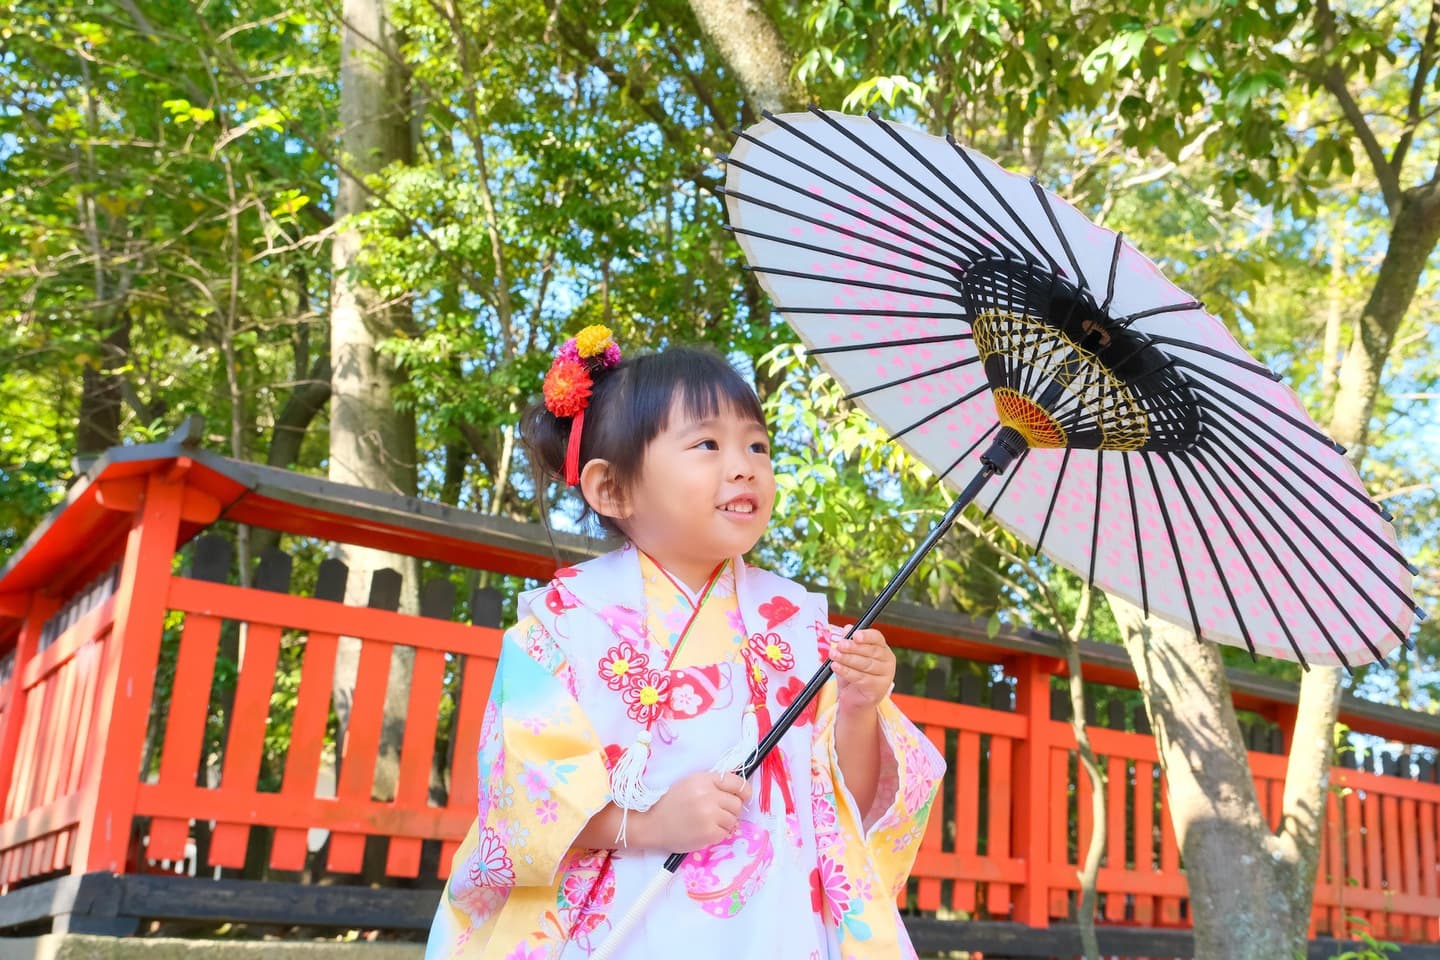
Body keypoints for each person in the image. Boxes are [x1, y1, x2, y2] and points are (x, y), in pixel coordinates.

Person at [427, 326, 945, 960]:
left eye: (758, 445)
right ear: (612, 488)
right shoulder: (564, 623)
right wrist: (649, 826)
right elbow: (526, 804)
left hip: (777, 919)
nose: (744, 465)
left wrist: (861, 705)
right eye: (707, 443)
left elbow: (850, 807)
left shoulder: (801, 626)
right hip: (628, 908)